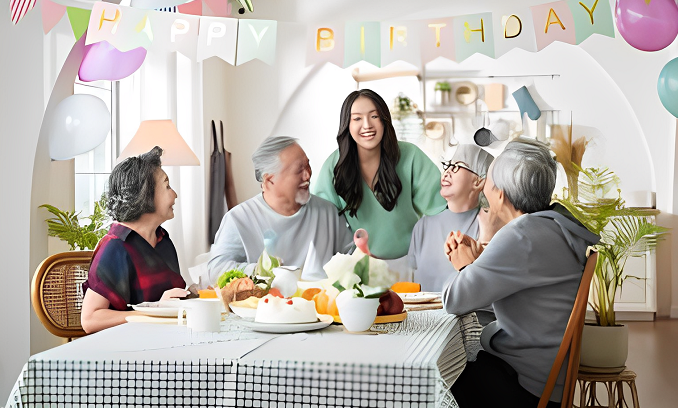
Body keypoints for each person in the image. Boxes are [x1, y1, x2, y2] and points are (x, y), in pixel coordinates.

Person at [442, 138, 600, 408]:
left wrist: (465, 266)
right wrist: (480, 260)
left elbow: (454, 300)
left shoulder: (520, 236)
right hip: (548, 381)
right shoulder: (549, 227)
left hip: (526, 389)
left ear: (500, 194)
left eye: (488, 182)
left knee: (436, 380)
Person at [313, 89, 446, 267]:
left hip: (412, 262)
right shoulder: (334, 166)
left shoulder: (410, 156)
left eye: (374, 116)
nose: (367, 125)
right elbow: (323, 222)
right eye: (357, 118)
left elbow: (439, 209)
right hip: (357, 267)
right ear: (347, 124)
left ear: (384, 120)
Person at [206, 136, 353, 286]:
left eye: (308, 166)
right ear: (269, 180)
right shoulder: (239, 219)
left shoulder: (328, 212)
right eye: (298, 170)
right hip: (261, 307)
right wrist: (262, 270)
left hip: (320, 306)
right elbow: (216, 271)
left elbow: (352, 259)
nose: (308, 175)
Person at [81, 146, 189, 334]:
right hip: (128, 353)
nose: (175, 194)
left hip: (167, 343)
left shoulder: (163, 241)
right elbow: (90, 319)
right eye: (167, 186)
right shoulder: (115, 248)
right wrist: (153, 314)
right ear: (145, 194)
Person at [408, 144, 494, 292]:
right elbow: (408, 282)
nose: (447, 172)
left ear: (479, 182)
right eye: (447, 165)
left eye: (457, 166)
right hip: (423, 314)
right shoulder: (423, 225)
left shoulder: (490, 227)